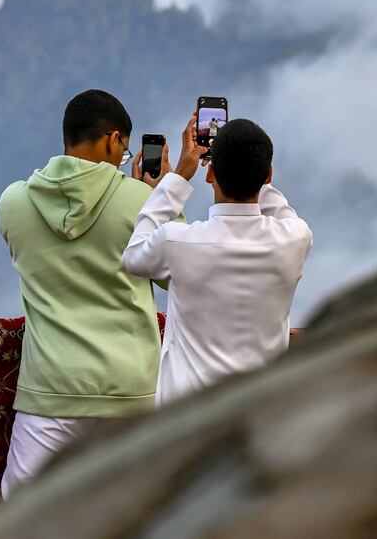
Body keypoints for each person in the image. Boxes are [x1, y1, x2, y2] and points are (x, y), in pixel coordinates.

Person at [0, 89, 173, 498]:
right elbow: (171, 272)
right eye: (125, 150)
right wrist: (159, 198)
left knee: (23, 521)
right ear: (114, 140)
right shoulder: (141, 202)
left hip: (49, 388)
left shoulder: (13, 202)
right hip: (128, 389)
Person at [122, 116, 312, 404]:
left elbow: (134, 255)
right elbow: (282, 210)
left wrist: (175, 181)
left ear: (210, 174)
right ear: (268, 176)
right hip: (261, 414)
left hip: (186, 420)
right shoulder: (295, 239)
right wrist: (252, 165)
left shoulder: (177, 242)